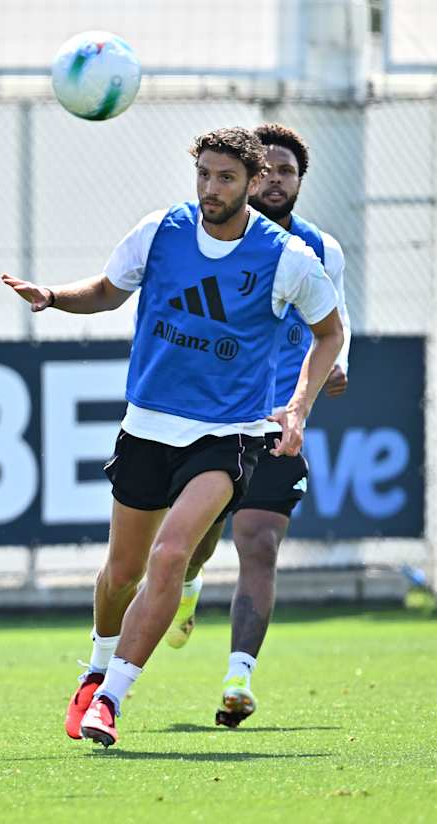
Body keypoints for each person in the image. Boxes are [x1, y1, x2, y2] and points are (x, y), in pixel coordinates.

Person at [2, 127, 344, 747]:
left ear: (251, 183)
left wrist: (297, 408)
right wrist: (52, 296)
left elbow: (330, 333)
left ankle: (111, 699)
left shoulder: (287, 257)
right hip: (148, 427)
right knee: (121, 573)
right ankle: (96, 667)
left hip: (228, 435)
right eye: (204, 175)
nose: (212, 188)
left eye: (226, 178)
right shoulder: (161, 231)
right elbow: (107, 292)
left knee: (171, 556)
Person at [164, 123, 351, 728]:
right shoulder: (211, 240)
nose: (275, 180)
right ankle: (187, 587)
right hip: (216, 421)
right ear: (248, 178)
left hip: (276, 425)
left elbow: (335, 326)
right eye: (265, 169)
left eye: (287, 171)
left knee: (260, 542)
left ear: (300, 181)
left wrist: (333, 373)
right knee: (195, 546)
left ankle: (238, 678)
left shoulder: (318, 249)